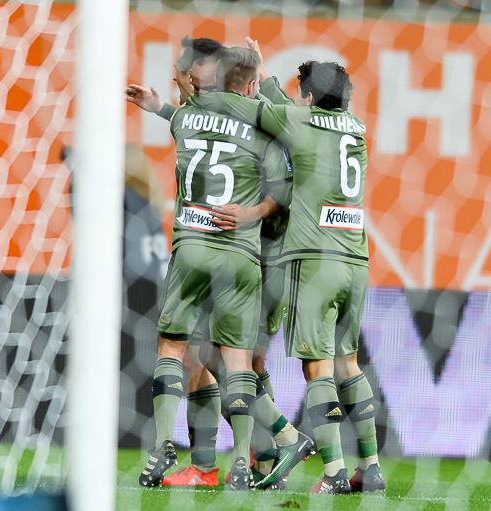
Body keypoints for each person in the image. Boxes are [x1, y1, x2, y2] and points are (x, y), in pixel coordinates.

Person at [194, 59, 386, 494]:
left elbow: (253, 108)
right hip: (356, 259)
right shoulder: (355, 127)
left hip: (315, 260)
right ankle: (371, 467)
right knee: (349, 364)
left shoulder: (299, 121)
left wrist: (227, 84)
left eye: (303, 94)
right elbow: (292, 111)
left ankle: (334, 472)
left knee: (318, 368)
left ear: (311, 97)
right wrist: (266, 76)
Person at [138, 47, 311, 491]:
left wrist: (168, 103)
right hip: (245, 256)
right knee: (222, 356)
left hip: (248, 254)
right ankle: (239, 459)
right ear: (249, 84)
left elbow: (289, 179)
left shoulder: (201, 115)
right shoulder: (261, 121)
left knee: (206, 353)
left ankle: (269, 447)